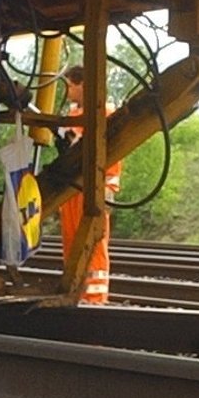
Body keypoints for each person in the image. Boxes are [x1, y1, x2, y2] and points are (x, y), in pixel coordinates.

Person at [57, 65, 121, 304]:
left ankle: (93, 296)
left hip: (92, 188)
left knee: (92, 242)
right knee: (74, 242)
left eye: (69, 86)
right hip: (73, 190)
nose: (67, 92)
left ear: (81, 83)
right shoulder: (74, 115)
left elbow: (107, 154)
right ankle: (78, 291)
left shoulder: (105, 114)